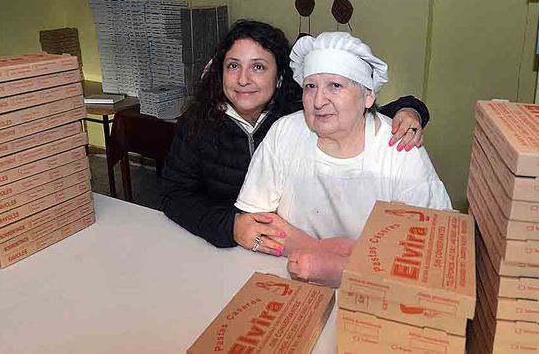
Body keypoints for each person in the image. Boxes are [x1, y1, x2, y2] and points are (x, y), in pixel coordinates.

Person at [160, 20, 430, 250]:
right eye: (233, 66)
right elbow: (174, 194)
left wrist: (411, 111)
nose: (243, 79)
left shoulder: (297, 113)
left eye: (258, 67)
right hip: (224, 241)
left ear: (279, 77)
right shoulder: (199, 122)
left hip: (281, 244)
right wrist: (229, 226)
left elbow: (357, 112)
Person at [235, 32, 452, 287]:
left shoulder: (400, 149)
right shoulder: (286, 133)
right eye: (310, 86)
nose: (318, 101)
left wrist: (341, 269)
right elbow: (252, 223)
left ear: (368, 96)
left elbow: (433, 252)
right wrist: (318, 252)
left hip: (377, 290)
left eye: (335, 86)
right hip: (289, 277)